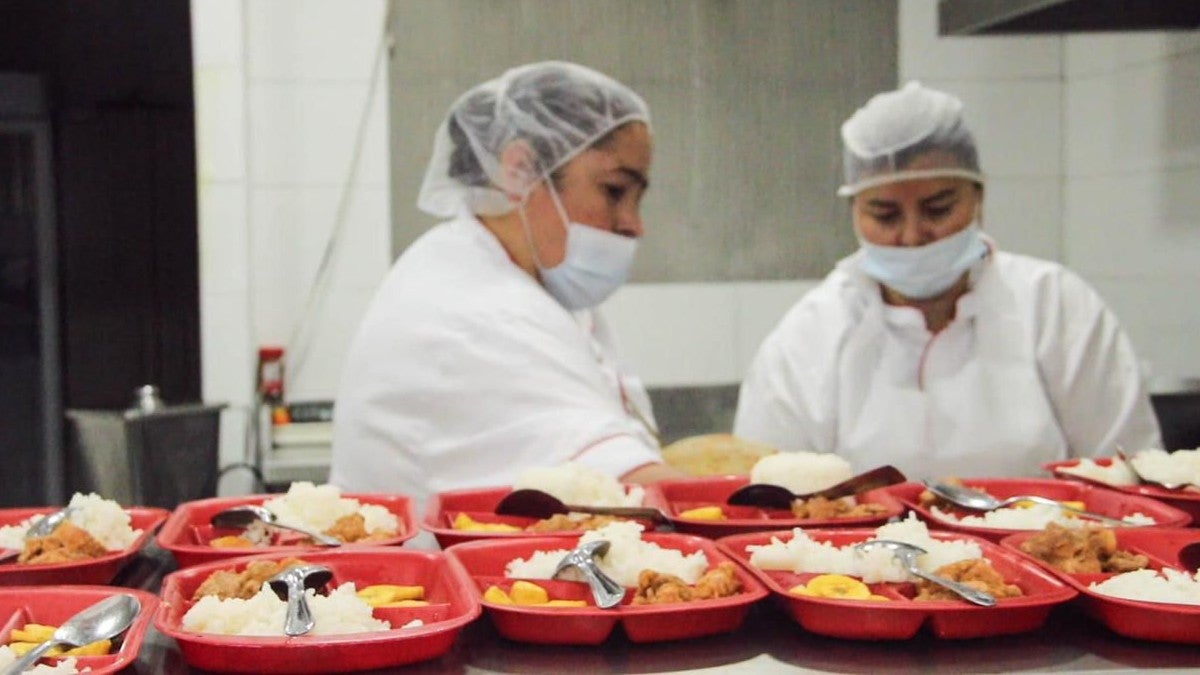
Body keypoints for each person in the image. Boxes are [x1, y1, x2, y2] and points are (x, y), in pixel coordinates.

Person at [734, 82, 1161, 479]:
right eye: (884, 215)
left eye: (938, 208)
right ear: (854, 212)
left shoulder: (1054, 306)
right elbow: (768, 491)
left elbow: (1127, 476)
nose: (913, 235)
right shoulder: (811, 336)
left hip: (1043, 550)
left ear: (978, 196)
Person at [330, 61, 685, 509]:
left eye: (638, 198)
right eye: (614, 191)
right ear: (519, 170)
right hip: (429, 575)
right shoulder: (472, 306)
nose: (634, 225)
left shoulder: (514, 284)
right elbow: (633, 493)